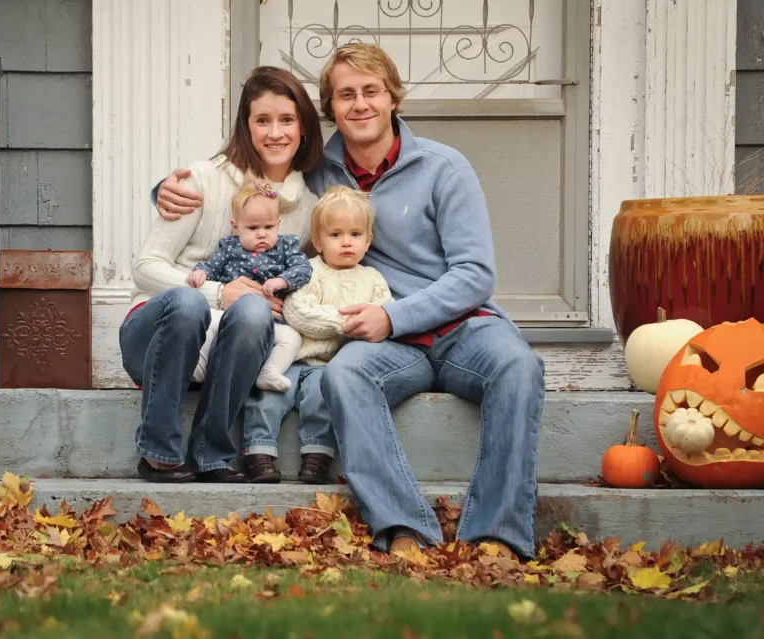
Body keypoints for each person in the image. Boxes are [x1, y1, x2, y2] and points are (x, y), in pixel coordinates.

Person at [153, 43, 545, 559]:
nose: (359, 104)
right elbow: (246, 181)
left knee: (518, 366)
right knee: (344, 376)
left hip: (459, 327)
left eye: (371, 91)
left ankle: (496, 534)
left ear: (392, 98)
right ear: (330, 107)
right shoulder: (316, 168)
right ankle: (403, 527)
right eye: (345, 95)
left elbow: (475, 274)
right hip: (374, 338)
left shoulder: (445, 167)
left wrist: (394, 314)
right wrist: (166, 189)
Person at [120, 66, 324, 483]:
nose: (275, 132)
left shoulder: (307, 208)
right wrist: (217, 292)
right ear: (245, 128)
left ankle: (211, 454)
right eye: (262, 120)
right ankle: (157, 452)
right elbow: (145, 267)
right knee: (188, 300)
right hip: (160, 338)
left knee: (253, 312)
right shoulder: (200, 181)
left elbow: (297, 277)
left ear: (303, 126)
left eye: (286, 119)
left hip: (231, 351)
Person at [242, 185, 395, 484]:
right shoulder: (306, 271)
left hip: (331, 364)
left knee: (321, 400)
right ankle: (259, 453)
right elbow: (299, 313)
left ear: (369, 240)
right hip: (293, 358)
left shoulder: (373, 278)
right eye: (336, 235)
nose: (346, 242)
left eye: (355, 234)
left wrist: (362, 321)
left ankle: (316, 458)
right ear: (318, 241)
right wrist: (348, 322)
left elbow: (380, 317)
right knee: (268, 398)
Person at [186, 178, 314, 393]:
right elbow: (212, 266)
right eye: (253, 227)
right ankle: (198, 364)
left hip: (271, 322)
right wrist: (200, 273)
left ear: (278, 223)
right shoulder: (229, 248)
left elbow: (303, 268)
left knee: (292, 339)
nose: (262, 234)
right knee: (207, 319)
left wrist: (282, 280)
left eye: (269, 226)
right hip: (227, 315)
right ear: (236, 227)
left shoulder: (285, 246)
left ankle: (269, 372)